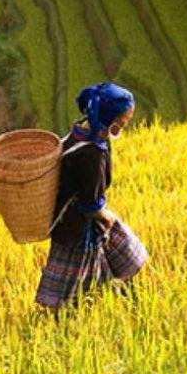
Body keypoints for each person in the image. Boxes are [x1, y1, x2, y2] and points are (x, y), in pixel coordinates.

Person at [37, 82, 148, 311]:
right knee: (76, 283)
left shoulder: (81, 132)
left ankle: (128, 303)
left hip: (70, 220)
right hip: (77, 225)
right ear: (111, 119)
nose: (126, 123)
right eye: (124, 119)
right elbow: (90, 201)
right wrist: (105, 215)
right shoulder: (91, 154)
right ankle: (66, 315)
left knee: (105, 264)